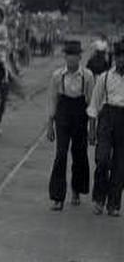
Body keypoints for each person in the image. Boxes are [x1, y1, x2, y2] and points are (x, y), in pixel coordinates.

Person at [47, 40, 94, 210]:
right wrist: (50, 125)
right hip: (63, 114)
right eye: (68, 56)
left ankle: (76, 189)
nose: (71, 59)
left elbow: (91, 103)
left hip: (80, 113)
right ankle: (58, 197)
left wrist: (91, 129)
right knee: (61, 153)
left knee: (79, 153)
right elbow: (53, 101)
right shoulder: (57, 76)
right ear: (65, 57)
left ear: (80, 57)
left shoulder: (87, 76)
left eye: (75, 56)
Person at [88, 41, 124, 216]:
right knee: (102, 159)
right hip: (107, 118)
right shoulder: (105, 77)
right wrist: (92, 130)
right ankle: (99, 199)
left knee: (120, 165)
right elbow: (94, 105)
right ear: (114, 58)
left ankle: (114, 204)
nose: (121, 59)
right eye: (118, 56)